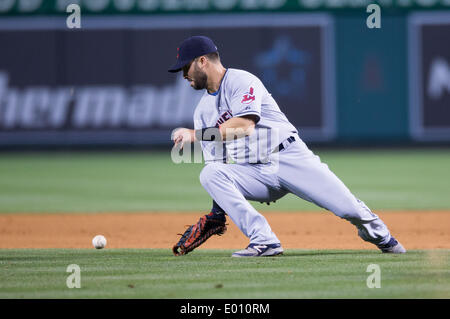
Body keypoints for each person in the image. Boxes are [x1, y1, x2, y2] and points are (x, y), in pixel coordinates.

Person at [168, 35, 406, 257]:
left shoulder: (242, 81)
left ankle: (383, 238)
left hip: (289, 158)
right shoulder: (202, 112)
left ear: (202, 61)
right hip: (254, 172)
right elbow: (218, 165)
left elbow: (244, 126)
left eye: (185, 67)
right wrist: (217, 214)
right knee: (209, 173)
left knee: (350, 210)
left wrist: (195, 135)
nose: (183, 75)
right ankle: (264, 240)